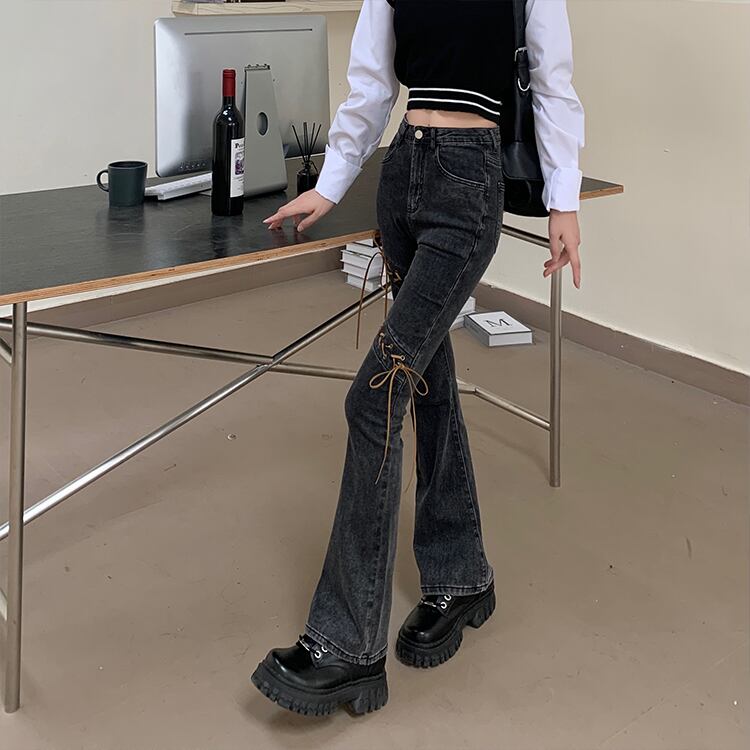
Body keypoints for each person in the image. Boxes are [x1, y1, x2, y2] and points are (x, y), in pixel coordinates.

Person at [251, 0, 584, 716]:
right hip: (402, 174)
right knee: (426, 377)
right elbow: (372, 83)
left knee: (374, 396)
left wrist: (565, 200)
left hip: (468, 188)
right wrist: (330, 185)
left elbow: (552, 80)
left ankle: (346, 647)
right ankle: (461, 576)